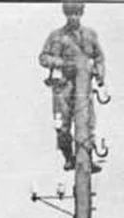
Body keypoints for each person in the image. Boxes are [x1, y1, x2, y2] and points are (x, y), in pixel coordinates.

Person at [39, 2, 105, 172]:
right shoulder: (56, 36)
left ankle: (86, 158)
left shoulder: (90, 35)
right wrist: (62, 63)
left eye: (76, 13)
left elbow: (99, 57)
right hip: (63, 87)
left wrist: (99, 75)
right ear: (65, 14)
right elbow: (43, 58)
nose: (73, 17)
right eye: (70, 14)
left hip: (84, 86)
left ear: (81, 14)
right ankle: (69, 157)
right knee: (62, 125)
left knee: (87, 123)